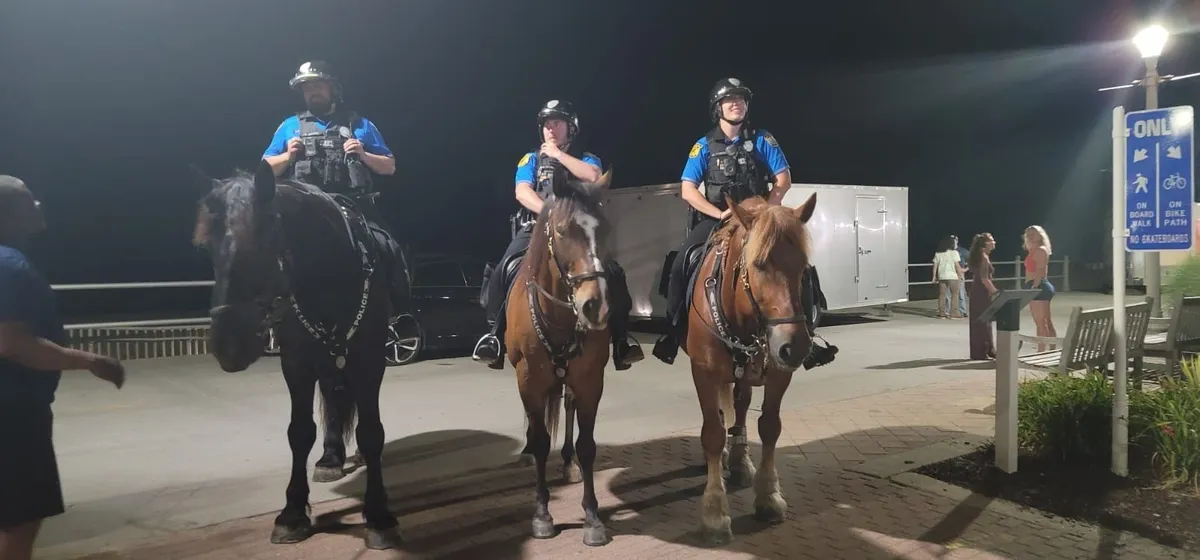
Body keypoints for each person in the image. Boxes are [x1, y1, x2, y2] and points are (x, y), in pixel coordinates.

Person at [651, 78, 837, 369]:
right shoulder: (703, 146)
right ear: (718, 108)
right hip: (718, 220)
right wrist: (718, 213)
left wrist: (768, 214)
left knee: (800, 266)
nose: (736, 103)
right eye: (729, 100)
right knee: (681, 262)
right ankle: (674, 334)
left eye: (741, 99)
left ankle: (808, 334)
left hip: (758, 220)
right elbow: (687, 189)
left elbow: (783, 179)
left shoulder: (763, 139)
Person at [0, 176, 125, 560]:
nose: (38, 204)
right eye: (28, 200)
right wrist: (91, 361)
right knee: (19, 520)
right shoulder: (10, 265)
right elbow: (13, 342)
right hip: (13, 413)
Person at [471, 100, 644, 370]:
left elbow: (594, 176)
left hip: (577, 230)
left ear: (570, 128)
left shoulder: (585, 158)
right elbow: (522, 191)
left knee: (612, 272)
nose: (550, 129)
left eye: (557, 123)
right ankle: (494, 336)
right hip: (537, 227)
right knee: (505, 268)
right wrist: (549, 213)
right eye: (546, 124)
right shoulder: (530, 159)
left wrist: (558, 155)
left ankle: (622, 340)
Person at [261, 61, 410, 319]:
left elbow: (390, 166)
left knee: (389, 247)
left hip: (353, 207)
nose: (312, 92)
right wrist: (287, 156)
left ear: (332, 88)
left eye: (317, 85)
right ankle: (265, 316)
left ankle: (398, 313)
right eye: (307, 88)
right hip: (303, 211)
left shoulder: (360, 124)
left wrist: (363, 154)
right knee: (263, 249)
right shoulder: (289, 126)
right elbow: (265, 168)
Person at [1023, 225, 1056, 352]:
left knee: (1040, 323)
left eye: (1034, 233)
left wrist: (1034, 287)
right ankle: (1052, 348)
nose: (1031, 236)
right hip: (1038, 285)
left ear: (1040, 235)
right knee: (1046, 320)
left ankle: (1041, 351)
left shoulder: (1041, 250)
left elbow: (1040, 270)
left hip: (1038, 285)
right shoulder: (1033, 249)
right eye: (1028, 233)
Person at [967, 232, 998, 360]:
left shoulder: (979, 256)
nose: (994, 242)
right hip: (981, 292)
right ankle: (985, 350)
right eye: (991, 240)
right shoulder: (983, 257)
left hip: (977, 290)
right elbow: (985, 278)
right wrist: (996, 292)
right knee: (983, 321)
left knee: (981, 321)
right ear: (984, 244)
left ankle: (983, 350)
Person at [933, 236, 965, 319]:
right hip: (952, 276)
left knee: (942, 295)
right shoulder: (954, 253)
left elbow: (935, 266)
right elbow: (957, 265)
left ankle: (942, 313)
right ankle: (953, 313)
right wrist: (960, 275)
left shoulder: (938, 253)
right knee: (955, 294)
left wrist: (934, 276)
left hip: (942, 276)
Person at [952, 235, 969, 317]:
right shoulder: (946, 251)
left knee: (961, 293)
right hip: (950, 273)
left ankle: (963, 310)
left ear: (957, 241)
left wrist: (965, 269)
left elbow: (972, 260)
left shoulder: (962, 251)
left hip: (960, 274)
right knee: (949, 293)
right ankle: (949, 310)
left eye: (954, 240)